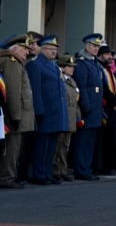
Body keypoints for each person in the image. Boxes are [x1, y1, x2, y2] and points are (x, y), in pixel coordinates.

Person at [25, 34, 69, 185]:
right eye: (50, 49)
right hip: (45, 111)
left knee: (51, 147)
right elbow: (36, 90)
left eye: (55, 49)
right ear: (43, 49)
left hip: (56, 112)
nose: (54, 52)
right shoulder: (36, 65)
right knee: (41, 146)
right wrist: (39, 110)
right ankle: (39, 174)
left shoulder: (54, 66)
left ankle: (47, 173)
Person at [0, 36, 34, 189]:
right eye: (24, 49)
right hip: (13, 114)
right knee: (11, 148)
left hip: (14, 113)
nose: (27, 52)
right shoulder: (12, 63)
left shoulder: (15, 62)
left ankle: (9, 176)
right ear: (14, 49)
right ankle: (7, 177)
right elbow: (13, 93)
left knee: (13, 148)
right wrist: (15, 116)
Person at [71, 33, 105, 181]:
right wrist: (86, 105)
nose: (96, 49)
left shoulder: (94, 63)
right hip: (88, 108)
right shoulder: (82, 63)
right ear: (86, 46)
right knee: (83, 141)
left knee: (90, 141)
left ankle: (86, 167)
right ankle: (81, 169)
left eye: (97, 46)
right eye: (93, 46)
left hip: (95, 108)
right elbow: (82, 86)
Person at [15, 31, 43, 183]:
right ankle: (21, 173)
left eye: (34, 44)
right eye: (29, 45)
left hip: (30, 109)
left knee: (28, 144)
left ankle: (25, 172)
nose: (31, 48)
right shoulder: (27, 63)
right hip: (24, 109)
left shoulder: (34, 62)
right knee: (22, 145)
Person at [95, 44, 116, 175]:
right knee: (103, 139)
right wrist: (115, 101)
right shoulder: (99, 68)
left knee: (111, 137)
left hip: (111, 107)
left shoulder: (108, 70)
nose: (110, 57)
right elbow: (105, 89)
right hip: (104, 107)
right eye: (107, 54)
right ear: (100, 55)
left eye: (111, 55)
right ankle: (102, 166)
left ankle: (109, 165)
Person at [53, 55, 79, 183]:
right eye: (69, 66)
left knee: (64, 146)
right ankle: (55, 170)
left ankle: (63, 170)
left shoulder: (72, 81)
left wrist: (78, 117)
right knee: (58, 145)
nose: (72, 69)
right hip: (63, 117)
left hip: (71, 118)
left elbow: (75, 102)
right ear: (62, 67)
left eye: (73, 66)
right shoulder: (60, 80)